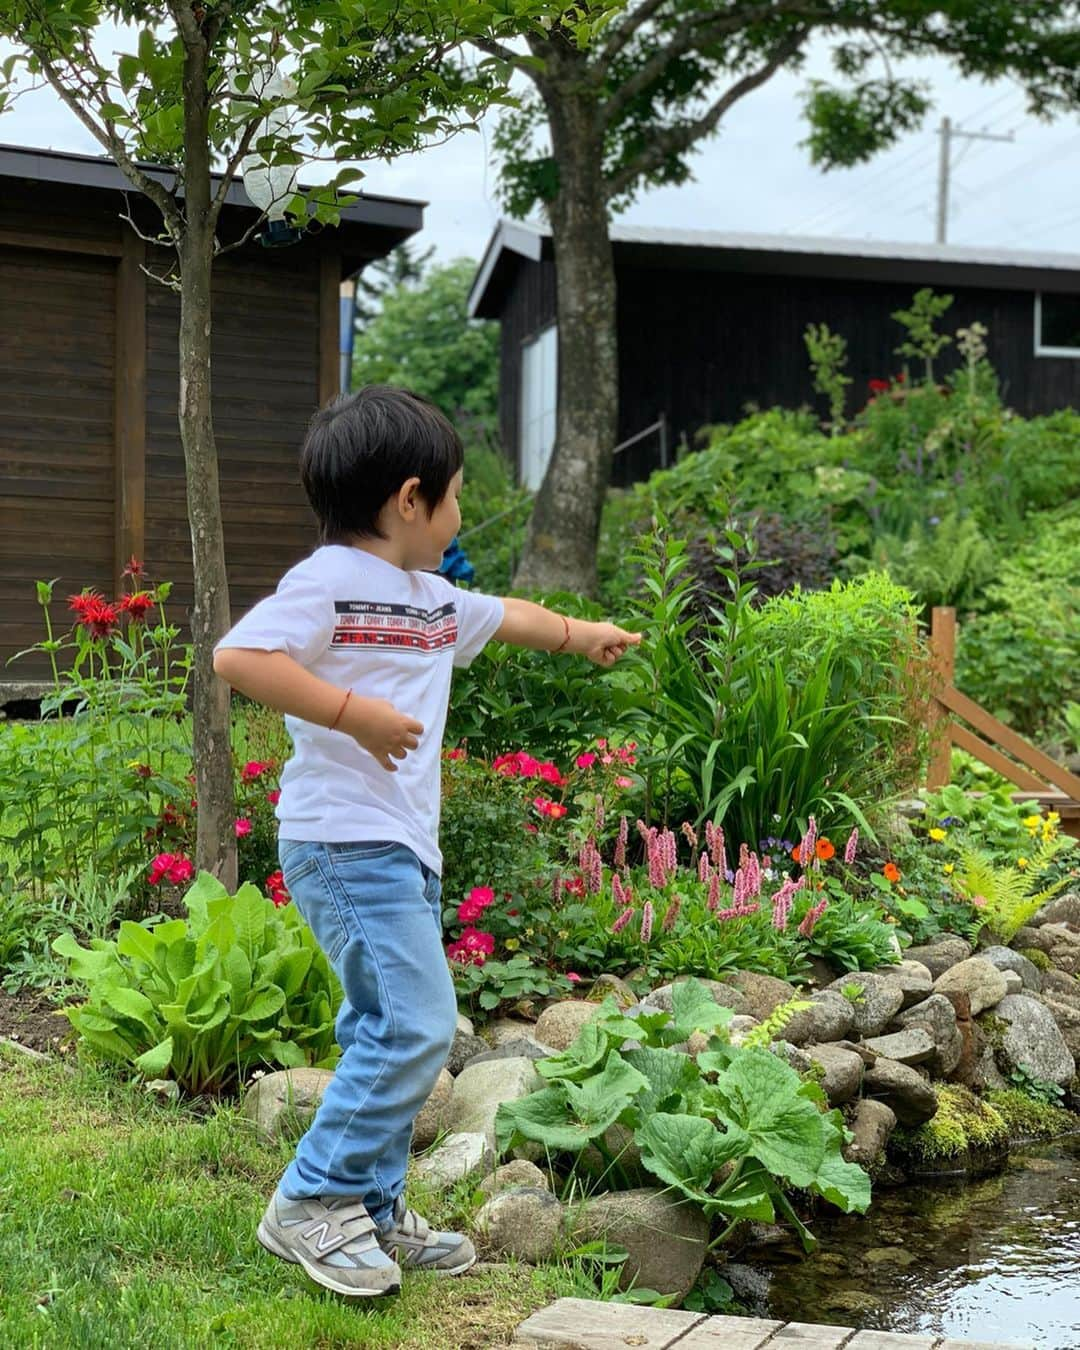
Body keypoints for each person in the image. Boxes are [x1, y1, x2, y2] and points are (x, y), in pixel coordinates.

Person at [212, 385, 639, 1299]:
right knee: (414, 1023)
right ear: (410, 499)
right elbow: (240, 657)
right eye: (452, 499)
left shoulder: (428, 597)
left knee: (381, 1021)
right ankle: (310, 1203)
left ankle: (366, 1205)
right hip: (341, 841)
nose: (457, 517)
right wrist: (351, 712)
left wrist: (581, 633)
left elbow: (508, 614)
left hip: (399, 849)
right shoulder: (327, 581)